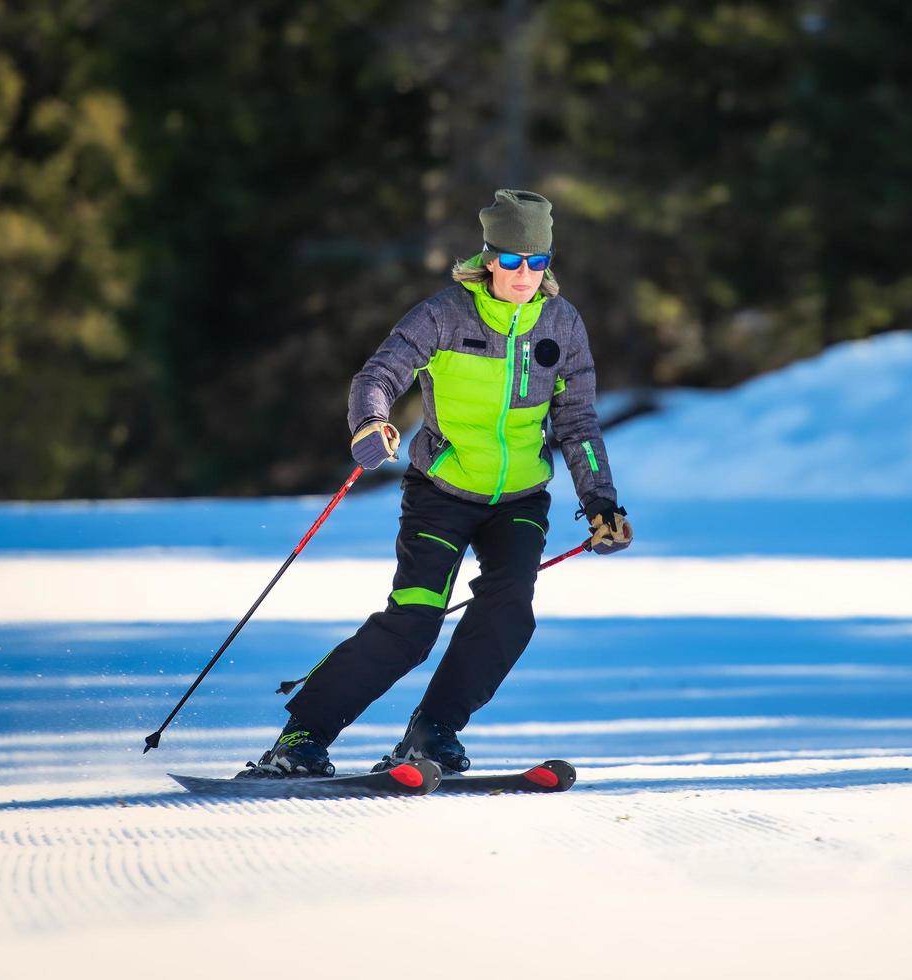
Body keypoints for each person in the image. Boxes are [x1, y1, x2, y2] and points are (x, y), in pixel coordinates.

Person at [240, 189, 633, 778]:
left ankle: (432, 734)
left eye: (538, 262)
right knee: (414, 621)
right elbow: (378, 375)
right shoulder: (445, 313)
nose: (525, 274)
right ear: (489, 257)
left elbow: (576, 422)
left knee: (509, 612)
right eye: (513, 260)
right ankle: (301, 738)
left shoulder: (562, 324)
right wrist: (370, 423)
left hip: (520, 499)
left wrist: (601, 502)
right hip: (440, 494)